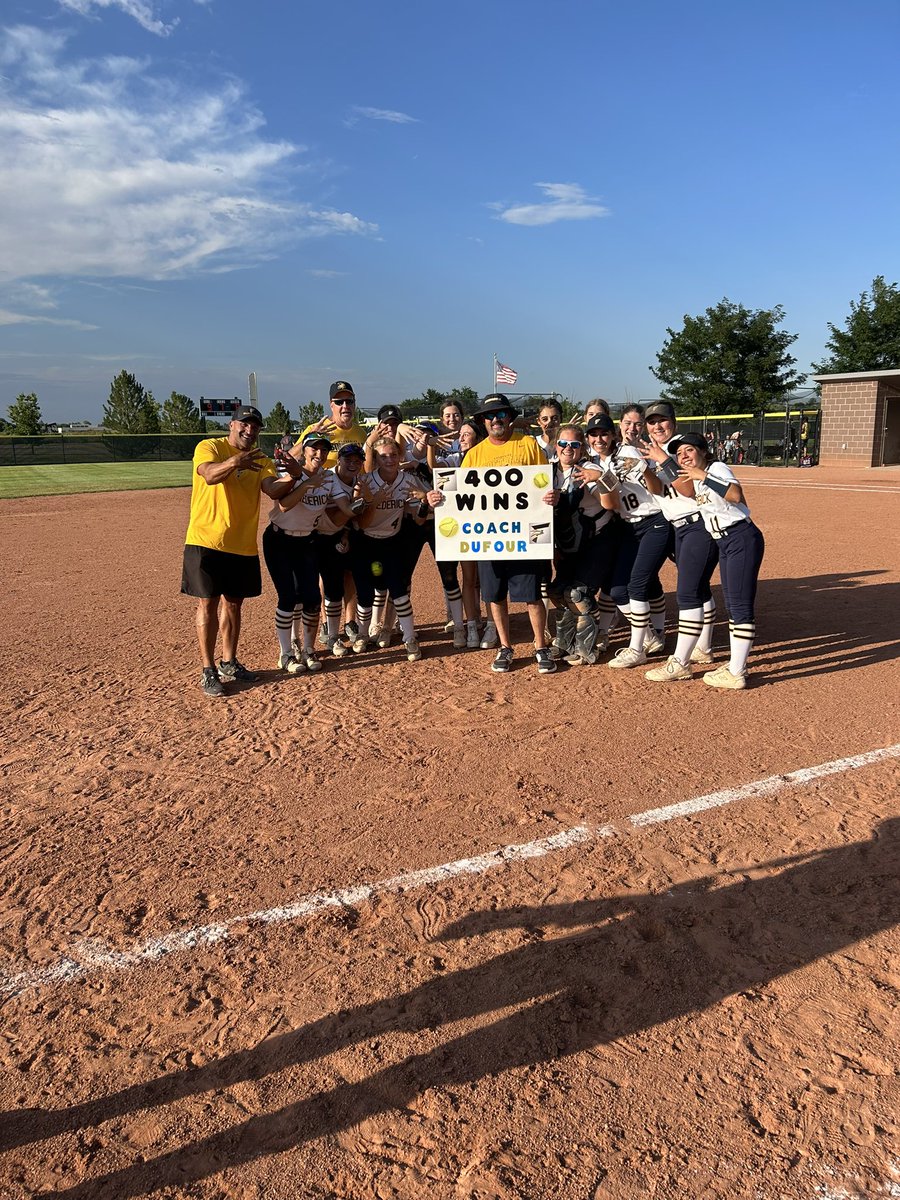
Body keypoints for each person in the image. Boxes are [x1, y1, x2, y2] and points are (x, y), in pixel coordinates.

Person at [181, 405, 294, 697]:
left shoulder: (261, 459)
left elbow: (273, 489)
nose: (250, 430)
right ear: (232, 425)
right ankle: (208, 670)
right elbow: (208, 475)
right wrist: (234, 462)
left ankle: (229, 662)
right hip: (206, 541)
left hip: (242, 544)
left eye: (255, 426)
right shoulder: (209, 446)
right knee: (207, 603)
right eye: (245, 424)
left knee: (234, 605)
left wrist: (294, 475)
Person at [459, 395, 558, 674]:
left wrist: (550, 496)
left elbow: (541, 484)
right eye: (489, 416)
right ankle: (505, 647)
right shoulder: (474, 454)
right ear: (482, 421)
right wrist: (437, 498)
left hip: (523, 536)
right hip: (490, 537)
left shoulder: (528, 445)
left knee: (531, 595)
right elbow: (462, 497)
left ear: (510, 417)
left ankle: (540, 646)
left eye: (501, 414)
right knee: (494, 595)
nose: (495, 420)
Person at [669, 433, 765, 689]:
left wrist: (704, 476)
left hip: (740, 537)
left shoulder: (716, 468)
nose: (684, 457)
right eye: (679, 454)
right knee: (733, 603)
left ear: (703, 451)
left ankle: (736, 672)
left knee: (739, 604)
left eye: (689, 450)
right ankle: (736, 665)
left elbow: (735, 494)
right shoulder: (697, 479)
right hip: (724, 540)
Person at [637, 402, 719, 682]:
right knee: (697, 587)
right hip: (680, 526)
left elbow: (686, 490)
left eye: (663, 420)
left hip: (697, 523)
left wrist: (662, 459)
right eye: (652, 422)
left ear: (674, 421)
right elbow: (658, 489)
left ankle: (683, 661)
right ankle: (703, 647)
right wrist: (644, 466)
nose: (657, 426)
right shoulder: (652, 451)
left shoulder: (679, 448)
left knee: (688, 592)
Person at [351, 436, 441, 662]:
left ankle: (410, 638)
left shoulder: (407, 481)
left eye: (393, 455)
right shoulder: (365, 481)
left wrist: (423, 503)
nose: (389, 459)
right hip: (366, 542)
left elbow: (418, 520)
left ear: (400, 456)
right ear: (376, 458)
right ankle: (362, 634)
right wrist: (374, 500)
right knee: (365, 591)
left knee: (399, 588)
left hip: (391, 541)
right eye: (383, 456)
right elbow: (361, 523)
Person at [262, 431, 339, 675]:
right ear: (304, 451)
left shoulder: (329, 478)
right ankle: (285, 653)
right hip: (279, 540)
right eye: (314, 449)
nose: (319, 453)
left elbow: (338, 506)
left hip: (308, 541)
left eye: (324, 450)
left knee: (312, 598)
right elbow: (284, 504)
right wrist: (306, 483)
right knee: (288, 596)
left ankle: (308, 649)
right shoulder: (290, 474)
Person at [298, 381, 368, 468]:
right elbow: (292, 457)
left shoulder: (361, 433)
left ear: (354, 404)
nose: (345, 406)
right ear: (331, 405)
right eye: (339, 402)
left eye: (349, 401)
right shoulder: (316, 429)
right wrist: (310, 436)